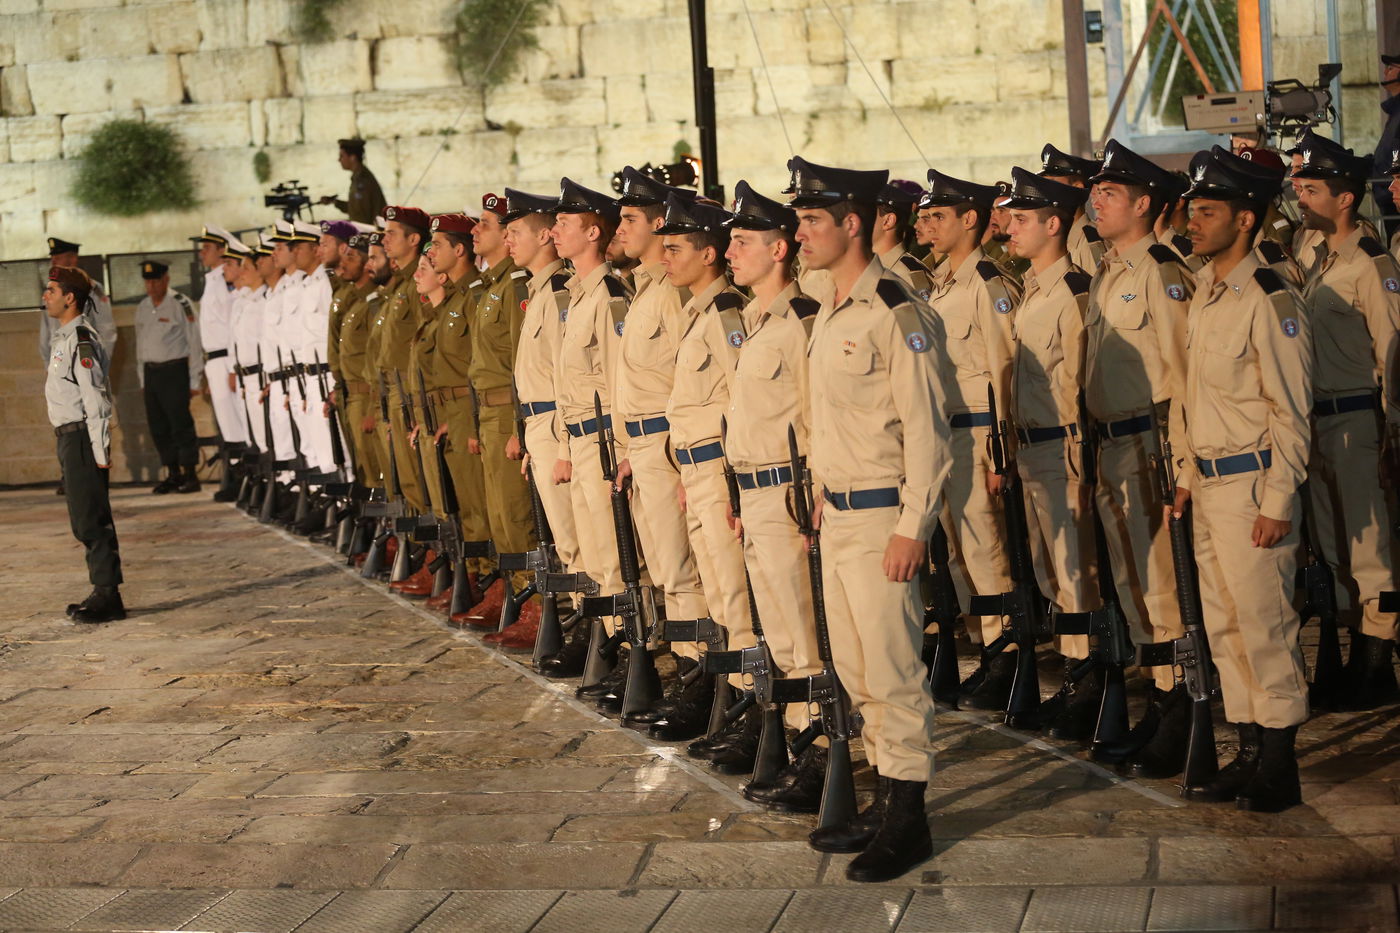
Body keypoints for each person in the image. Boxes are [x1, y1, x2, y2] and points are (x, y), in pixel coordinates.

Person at [788, 155, 951, 883]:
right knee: (855, 669)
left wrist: (914, 524)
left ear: (851, 224)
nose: (801, 234)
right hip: (841, 515)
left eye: (812, 221)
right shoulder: (831, 308)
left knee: (893, 668)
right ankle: (886, 801)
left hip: (886, 515)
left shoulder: (895, 308)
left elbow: (927, 429)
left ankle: (909, 814)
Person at [1175, 146, 1312, 811]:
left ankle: (1280, 764)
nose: (1193, 222)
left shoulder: (1268, 296)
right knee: (1225, 626)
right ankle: (1249, 747)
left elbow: (1291, 407)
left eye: (1207, 211)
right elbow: (1190, 396)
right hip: (1207, 486)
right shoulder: (1206, 291)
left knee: (1265, 624)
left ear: (1247, 219)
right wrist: (1183, 474)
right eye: (1192, 209)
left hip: (1254, 486)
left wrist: (1280, 499)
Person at [1083, 140, 1195, 776]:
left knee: (1162, 582)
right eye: (1096, 193)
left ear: (1145, 203)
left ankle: (1181, 703)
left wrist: (1178, 462)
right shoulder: (1110, 270)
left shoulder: (1160, 270)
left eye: (1110, 194)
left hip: (1149, 445)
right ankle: (1159, 698)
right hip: (1111, 445)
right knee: (1133, 583)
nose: (1096, 202)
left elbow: (1183, 376)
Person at [721, 179, 826, 809]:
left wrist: (814, 494)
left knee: (805, 627)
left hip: (790, 492)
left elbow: (816, 418)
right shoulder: (757, 321)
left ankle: (822, 747)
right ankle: (794, 739)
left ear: (779, 248)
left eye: (742, 241)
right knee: (780, 631)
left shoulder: (801, 321)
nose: (730, 251)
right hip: (755, 491)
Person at [1294, 130, 1400, 711]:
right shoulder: (1310, 256)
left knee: (1371, 551)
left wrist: (1395, 434)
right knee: (1333, 548)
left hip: (1359, 420)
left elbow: (1393, 353)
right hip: (1315, 422)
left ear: (1346, 199)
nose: (1300, 196)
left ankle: (1377, 664)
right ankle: (1349, 655)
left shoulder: (1370, 265)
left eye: (1312, 188)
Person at [608, 166, 713, 734]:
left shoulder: (670, 296)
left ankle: (699, 678)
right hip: (644, 444)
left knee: (682, 568)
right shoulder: (646, 289)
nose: (619, 229)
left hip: (669, 445)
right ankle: (689, 673)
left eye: (629, 220)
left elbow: (684, 383)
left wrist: (671, 456)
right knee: (668, 567)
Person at [1001, 167, 1104, 738]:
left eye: (1021, 220)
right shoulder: (1033, 291)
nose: (1009, 229)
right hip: (1031, 450)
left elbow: (1082, 384)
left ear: (1054, 224)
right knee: (1049, 571)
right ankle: (1073, 674)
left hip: (1063, 447)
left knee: (1076, 571)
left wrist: (1082, 463)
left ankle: (1089, 680)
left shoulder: (1072, 292)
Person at [656, 193, 756, 753]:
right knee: (718, 595)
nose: (664, 258)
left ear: (709, 254)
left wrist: (730, 485)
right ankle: (731, 700)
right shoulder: (696, 313)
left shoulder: (725, 315)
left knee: (735, 597)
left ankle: (751, 709)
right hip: (695, 472)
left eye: (675, 249)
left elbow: (744, 400)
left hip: (721, 473)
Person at [921, 168, 1020, 708]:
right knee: (960, 554)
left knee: (987, 550)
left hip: (981, 436)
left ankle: (1006, 653)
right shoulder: (944, 282)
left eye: (939, 215)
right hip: (949, 436)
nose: (928, 224)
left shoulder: (986, 283)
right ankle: (987, 650)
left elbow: (1004, 368)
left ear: (970, 219)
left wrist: (1001, 450)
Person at [503, 188, 589, 666]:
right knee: (565, 537)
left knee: (578, 540)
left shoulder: (559, 294)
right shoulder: (537, 292)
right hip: (541, 423)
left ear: (542, 237)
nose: (508, 241)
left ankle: (597, 634)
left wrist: (559, 442)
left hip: (558, 424)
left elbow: (565, 375)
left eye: (517, 232)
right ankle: (587, 624)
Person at [44, 266, 125, 624]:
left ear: (69, 297)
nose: (45, 296)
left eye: (51, 290)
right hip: (68, 436)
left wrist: (100, 450)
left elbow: (95, 399)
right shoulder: (63, 337)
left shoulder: (80, 338)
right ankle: (101, 588)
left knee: (92, 517)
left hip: (81, 437)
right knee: (82, 517)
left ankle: (108, 595)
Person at [135, 259, 203, 495]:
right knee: (159, 426)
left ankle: (190, 474)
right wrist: (143, 380)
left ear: (166, 280)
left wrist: (195, 379)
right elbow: (140, 346)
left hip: (174, 371)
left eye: (156, 280)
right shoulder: (143, 306)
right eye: (148, 281)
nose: (151, 286)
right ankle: (173, 473)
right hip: (151, 373)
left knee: (180, 425)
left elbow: (194, 342)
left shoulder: (180, 304)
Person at [39, 237, 117, 364]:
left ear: (72, 259)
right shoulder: (49, 292)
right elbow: (46, 333)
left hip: (83, 358)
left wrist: (102, 362)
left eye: (58, 259)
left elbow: (106, 328)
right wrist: (48, 364)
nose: (53, 264)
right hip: (58, 359)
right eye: (53, 260)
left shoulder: (92, 289)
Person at [1039, 144, 1106, 273]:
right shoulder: (1057, 240)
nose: (1045, 191)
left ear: (1077, 188)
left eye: (1052, 183)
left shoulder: (1090, 244)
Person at [319, 138, 387, 225]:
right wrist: (335, 202)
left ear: (353, 158)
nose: (339, 160)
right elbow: (355, 208)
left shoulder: (362, 181)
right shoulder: (358, 177)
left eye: (342, 156)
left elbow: (361, 215)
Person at [1372, 53, 1400, 235]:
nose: (1385, 72)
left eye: (1391, 68)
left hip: (1393, 199)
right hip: (1389, 198)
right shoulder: (1395, 110)